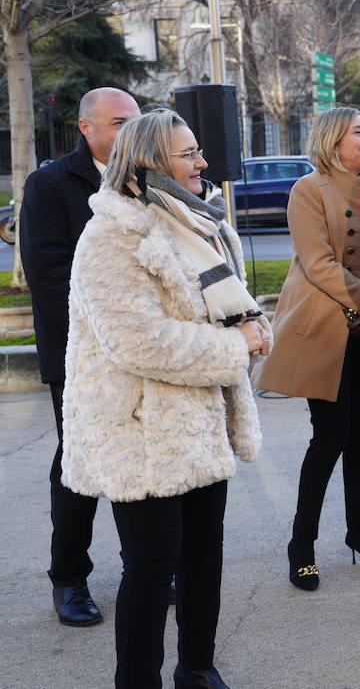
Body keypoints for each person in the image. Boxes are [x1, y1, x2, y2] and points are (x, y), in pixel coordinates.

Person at [62, 109, 268, 687]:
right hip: (142, 431)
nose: (203, 163)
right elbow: (139, 343)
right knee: (152, 571)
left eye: (200, 151)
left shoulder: (196, 224)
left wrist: (252, 328)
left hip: (199, 424)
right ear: (152, 163)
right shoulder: (110, 235)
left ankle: (197, 669)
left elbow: (229, 307)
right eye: (189, 154)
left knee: (205, 559)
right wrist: (234, 346)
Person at [255, 107, 360, 591]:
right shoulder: (308, 189)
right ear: (333, 140)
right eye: (358, 131)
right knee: (330, 439)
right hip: (329, 330)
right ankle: (302, 545)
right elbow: (318, 264)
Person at [20, 87, 140, 627]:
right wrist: (122, 317)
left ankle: (147, 571)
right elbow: (50, 277)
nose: (129, 131)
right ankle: (69, 579)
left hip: (143, 351)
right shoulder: (49, 184)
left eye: (136, 121)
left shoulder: (146, 182)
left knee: (141, 463)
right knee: (81, 466)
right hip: (78, 355)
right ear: (86, 128)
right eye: (119, 122)